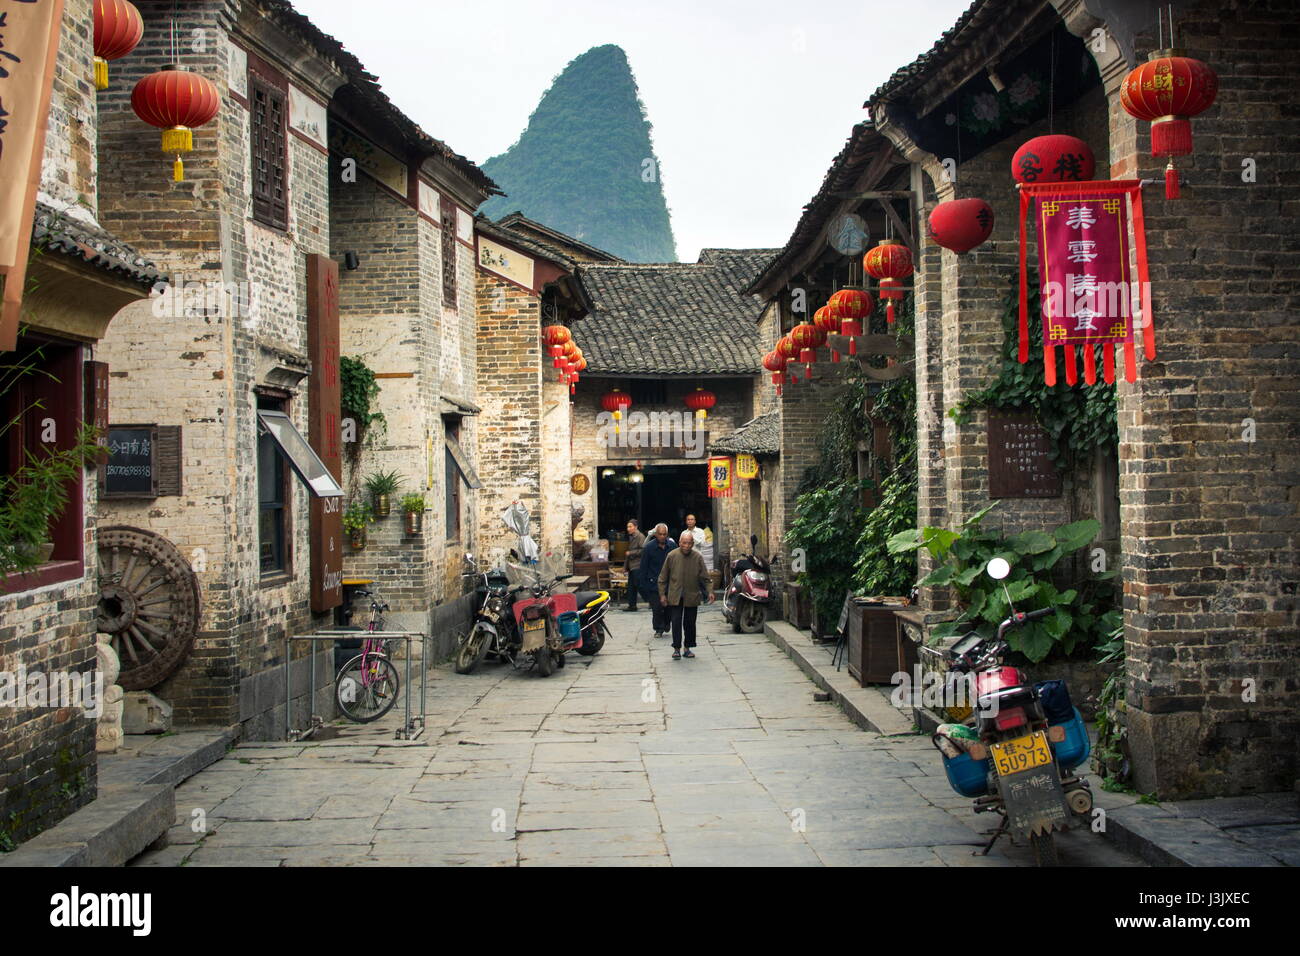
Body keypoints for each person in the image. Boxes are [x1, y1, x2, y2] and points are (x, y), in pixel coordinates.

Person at [658, 530, 714, 660]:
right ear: (679, 542)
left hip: (692, 594)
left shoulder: (697, 557)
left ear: (693, 543)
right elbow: (662, 577)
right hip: (675, 595)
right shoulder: (672, 556)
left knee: (690, 623)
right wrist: (662, 594)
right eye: (684, 543)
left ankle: (687, 648)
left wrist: (710, 591)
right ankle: (676, 648)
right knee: (676, 622)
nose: (687, 546)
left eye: (689, 543)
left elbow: (705, 577)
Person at [639, 523, 675, 637]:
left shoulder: (672, 546)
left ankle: (666, 622)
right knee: (657, 608)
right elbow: (643, 567)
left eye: (664, 534)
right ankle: (658, 628)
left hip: (669, 583)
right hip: (653, 582)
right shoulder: (649, 548)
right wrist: (644, 586)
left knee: (669, 607)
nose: (662, 536)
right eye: (660, 534)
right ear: (655, 534)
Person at [622, 519, 645, 611]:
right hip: (631, 565)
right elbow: (628, 554)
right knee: (631, 587)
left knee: (639, 585)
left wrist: (631, 553)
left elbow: (643, 550)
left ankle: (652, 601)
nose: (628, 529)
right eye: (628, 526)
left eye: (630, 526)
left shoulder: (640, 536)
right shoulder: (631, 537)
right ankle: (632, 605)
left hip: (638, 565)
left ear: (636, 527)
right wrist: (625, 567)